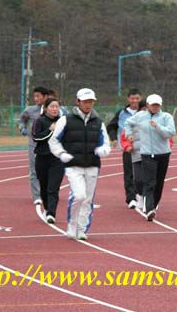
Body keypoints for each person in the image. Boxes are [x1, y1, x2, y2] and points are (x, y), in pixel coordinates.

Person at [49, 88, 111, 241]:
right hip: (73, 165)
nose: (88, 104)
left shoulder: (98, 122)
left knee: (88, 199)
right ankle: (72, 225)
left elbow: (106, 143)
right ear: (78, 102)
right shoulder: (66, 120)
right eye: (85, 101)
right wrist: (61, 154)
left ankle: (81, 229)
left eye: (91, 101)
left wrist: (103, 150)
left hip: (92, 165)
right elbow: (54, 140)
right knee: (79, 195)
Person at [124, 94, 176, 221]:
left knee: (159, 182)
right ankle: (149, 208)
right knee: (149, 181)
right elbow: (127, 123)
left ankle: (154, 204)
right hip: (147, 154)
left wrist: (157, 127)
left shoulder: (166, 117)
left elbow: (170, 133)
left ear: (160, 105)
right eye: (153, 105)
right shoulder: (140, 116)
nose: (155, 107)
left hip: (163, 153)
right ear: (147, 105)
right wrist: (129, 134)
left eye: (157, 105)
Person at [106, 88, 142, 209]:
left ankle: (140, 194)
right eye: (132, 98)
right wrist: (113, 138)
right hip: (127, 148)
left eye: (137, 98)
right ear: (128, 99)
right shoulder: (122, 113)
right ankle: (130, 198)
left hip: (142, 148)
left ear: (140, 98)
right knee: (129, 173)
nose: (135, 101)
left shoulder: (144, 111)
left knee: (141, 174)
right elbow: (111, 126)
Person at [32, 98, 64, 224]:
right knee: (44, 186)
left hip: (57, 159)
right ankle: (47, 208)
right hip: (42, 157)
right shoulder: (39, 121)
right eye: (52, 106)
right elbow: (36, 137)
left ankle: (51, 213)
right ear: (46, 108)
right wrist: (50, 130)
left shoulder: (63, 121)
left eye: (57, 106)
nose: (55, 109)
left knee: (53, 187)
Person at [19, 86, 49, 205]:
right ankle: (37, 195)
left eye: (38, 96)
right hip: (34, 144)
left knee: (48, 170)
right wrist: (22, 128)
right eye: (34, 96)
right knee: (34, 170)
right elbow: (22, 120)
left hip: (49, 145)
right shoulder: (30, 110)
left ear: (45, 97)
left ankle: (47, 192)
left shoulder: (53, 108)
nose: (35, 98)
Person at [119, 99, 148, 211]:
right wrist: (127, 146)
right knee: (136, 178)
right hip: (134, 153)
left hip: (152, 154)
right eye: (144, 109)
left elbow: (166, 138)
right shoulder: (132, 122)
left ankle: (148, 201)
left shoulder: (158, 121)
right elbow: (124, 136)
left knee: (150, 179)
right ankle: (134, 197)